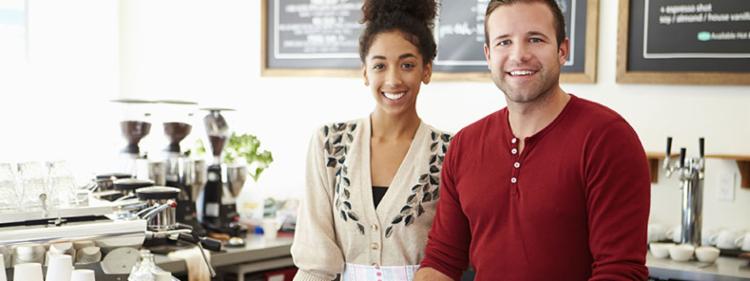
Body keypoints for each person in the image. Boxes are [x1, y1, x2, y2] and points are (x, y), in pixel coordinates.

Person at [414, 0, 651, 280]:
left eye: (535, 39)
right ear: (488, 55)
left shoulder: (607, 139)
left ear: (562, 50)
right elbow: (442, 260)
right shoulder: (464, 145)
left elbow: (620, 271)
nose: (519, 55)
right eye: (504, 42)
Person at [291, 1, 452, 280]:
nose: (393, 79)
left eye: (407, 64)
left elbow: (455, 254)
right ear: (365, 72)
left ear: (426, 70)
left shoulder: (449, 150)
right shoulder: (330, 143)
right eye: (379, 65)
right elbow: (314, 264)